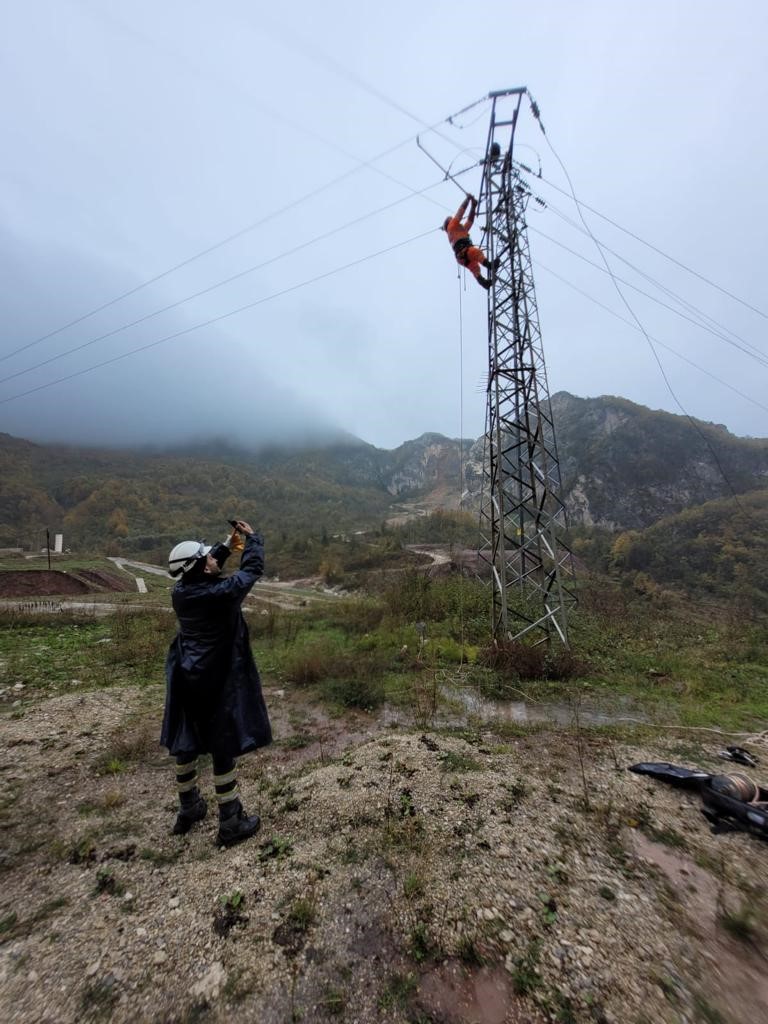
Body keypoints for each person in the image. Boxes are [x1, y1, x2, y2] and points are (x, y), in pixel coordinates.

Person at [161, 519, 272, 847]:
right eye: (207, 557)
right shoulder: (219, 594)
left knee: (188, 740)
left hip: (185, 672)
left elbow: (205, 568)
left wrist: (227, 544)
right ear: (200, 568)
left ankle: (189, 807)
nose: (213, 558)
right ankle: (230, 819)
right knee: (222, 744)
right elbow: (250, 571)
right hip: (213, 677)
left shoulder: (181, 591)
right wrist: (253, 539)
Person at [442, 193, 497, 290]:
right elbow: (460, 212)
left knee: (474, 267)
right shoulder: (452, 226)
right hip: (464, 250)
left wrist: (473, 206)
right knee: (476, 253)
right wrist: (468, 199)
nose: (453, 218)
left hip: (461, 255)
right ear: (449, 222)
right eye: (451, 218)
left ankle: (483, 282)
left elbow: (470, 221)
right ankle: (490, 265)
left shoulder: (458, 230)